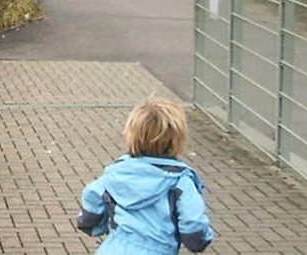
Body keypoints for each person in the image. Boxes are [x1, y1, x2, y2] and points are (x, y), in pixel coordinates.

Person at [75, 96, 215, 254]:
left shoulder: (117, 174)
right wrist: (201, 240)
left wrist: (94, 225)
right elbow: (193, 226)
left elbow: (91, 199)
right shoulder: (179, 182)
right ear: (176, 139)